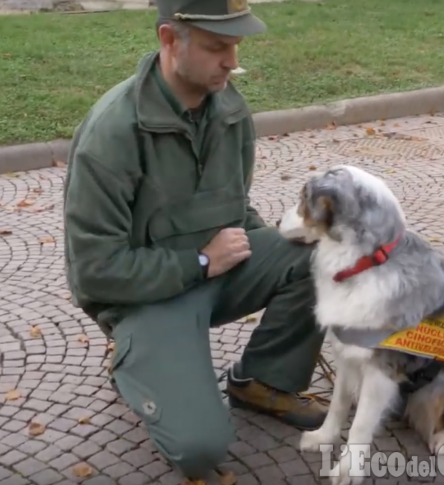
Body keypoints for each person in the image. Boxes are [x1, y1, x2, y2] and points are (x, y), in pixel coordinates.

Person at [62, 0, 327, 480]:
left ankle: (263, 380)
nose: (233, 60)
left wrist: (276, 260)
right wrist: (201, 263)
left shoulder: (229, 108)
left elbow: (235, 207)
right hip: (144, 298)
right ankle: (132, 356)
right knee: (201, 448)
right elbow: (94, 272)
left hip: (218, 267)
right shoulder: (112, 133)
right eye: (217, 47)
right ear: (169, 39)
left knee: (320, 250)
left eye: (237, 45)